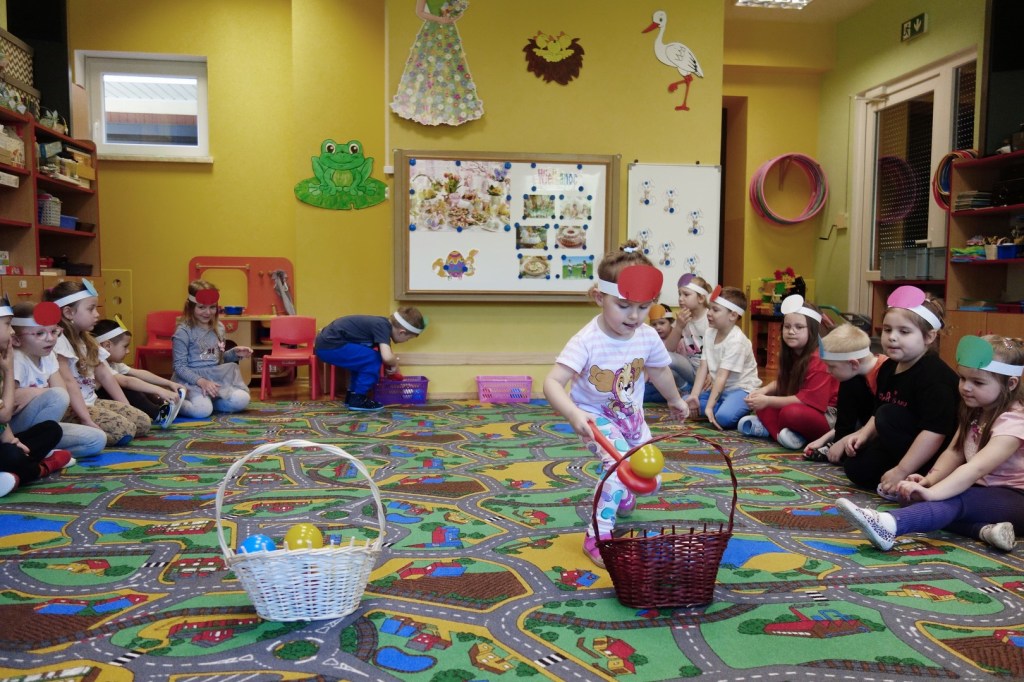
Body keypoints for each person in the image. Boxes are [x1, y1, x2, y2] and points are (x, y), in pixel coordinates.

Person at [543, 241, 688, 568]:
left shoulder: (647, 335)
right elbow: (552, 382)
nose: (634, 316)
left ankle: (621, 494)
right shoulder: (586, 341)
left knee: (650, 478)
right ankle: (597, 534)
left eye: (643, 307)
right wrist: (573, 413)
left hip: (632, 420)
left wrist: (675, 399)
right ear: (599, 297)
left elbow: (659, 371)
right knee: (617, 467)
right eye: (623, 306)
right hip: (595, 419)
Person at [837, 334, 1024, 554]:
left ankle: (889, 524)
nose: (965, 387)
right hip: (982, 490)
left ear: (1011, 384)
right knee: (913, 498)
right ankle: (983, 531)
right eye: (963, 378)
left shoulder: (1013, 422)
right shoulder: (975, 410)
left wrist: (934, 493)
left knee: (951, 499)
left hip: (1015, 498)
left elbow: (976, 468)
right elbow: (954, 453)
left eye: (978, 382)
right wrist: (930, 480)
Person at [842, 285, 959, 498]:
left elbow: (934, 434)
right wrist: (863, 435)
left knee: (889, 414)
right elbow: (877, 410)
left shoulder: (935, 377)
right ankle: (898, 477)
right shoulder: (888, 367)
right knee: (855, 468)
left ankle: (912, 478)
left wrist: (902, 470)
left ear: (929, 337)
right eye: (887, 330)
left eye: (904, 332)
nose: (892, 337)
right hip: (901, 443)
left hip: (934, 454)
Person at [46, 281, 151, 446]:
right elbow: (69, 382)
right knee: (124, 430)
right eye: (91, 309)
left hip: (92, 402)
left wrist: (127, 407)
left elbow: (105, 375)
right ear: (68, 312)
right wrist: (86, 419)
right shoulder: (59, 341)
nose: (97, 314)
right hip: (73, 408)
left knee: (143, 422)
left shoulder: (87, 340)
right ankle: (74, 435)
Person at [738, 295, 838, 450]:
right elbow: (784, 382)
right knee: (762, 404)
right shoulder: (791, 352)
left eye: (799, 327)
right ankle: (786, 434)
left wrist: (768, 400)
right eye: (787, 326)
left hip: (827, 414)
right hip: (803, 405)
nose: (791, 331)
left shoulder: (818, 358)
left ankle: (775, 431)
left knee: (789, 413)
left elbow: (806, 401)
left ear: (812, 329)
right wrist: (763, 391)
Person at [9, 302, 106, 457]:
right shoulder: (17, 360)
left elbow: (61, 391)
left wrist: (33, 392)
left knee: (97, 439)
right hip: (14, 431)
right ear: (16, 340)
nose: (50, 339)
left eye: (54, 331)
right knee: (57, 396)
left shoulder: (48, 356)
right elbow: (10, 400)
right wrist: (41, 392)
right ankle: (35, 451)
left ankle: (40, 452)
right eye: (40, 333)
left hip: (44, 427)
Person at [0, 296, 72, 497]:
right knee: (12, 455)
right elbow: (5, 415)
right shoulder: (12, 362)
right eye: (7, 324)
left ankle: (17, 470)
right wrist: (8, 370)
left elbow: (1, 419)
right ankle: (40, 468)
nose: (12, 330)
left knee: (51, 430)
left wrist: (12, 440)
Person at [390, 0, 484, 126]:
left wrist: (453, 17)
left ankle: (451, 106)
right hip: (431, 30)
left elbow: (459, 10)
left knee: (451, 65)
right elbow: (419, 12)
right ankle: (425, 105)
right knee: (426, 64)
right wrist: (439, 19)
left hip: (448, 31)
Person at [315, 306, 427, 412]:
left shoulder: (382, 326)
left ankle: (352, 396)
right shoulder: (382, 326)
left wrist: (400, 377)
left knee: (362, 362)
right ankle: (358, 398)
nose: (406, 341)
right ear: (402, 332)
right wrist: (395, 363)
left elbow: (388, 354)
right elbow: (387, 357)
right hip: (330, 345)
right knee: (373, 358)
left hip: (326, 345)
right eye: (408, 338)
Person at [803, 323, 887, 463]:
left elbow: (880, 421)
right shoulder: (855, 376)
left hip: (884, 433)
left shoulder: (886, 373)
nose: (828, 371)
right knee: (850, 381)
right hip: (864, 430)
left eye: (832, 366)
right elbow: (849, 422)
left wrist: (843, 441)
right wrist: (823, 439)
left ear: (854, 364)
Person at [172, 280, 252, 418]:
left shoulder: (219, 328)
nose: (208, 312)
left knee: (242, 399)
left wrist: (234, 353)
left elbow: (217, 358)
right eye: (201, 307)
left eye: (212, 307)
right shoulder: (183, 331)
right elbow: (179, 367)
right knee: (202, 411)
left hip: (216, 380)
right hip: (192, 382)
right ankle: (175, 403)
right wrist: (202, 381)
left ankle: (210, 404)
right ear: (190, 307)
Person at [685, 285, 761, 430]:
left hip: (741, 390)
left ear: (733, 315)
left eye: (715, 310)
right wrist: (694, 395)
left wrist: (709, 407)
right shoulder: (709, 333)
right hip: (720, 388)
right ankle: (718, 407)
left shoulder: (736, 340)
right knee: (686, 403)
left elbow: (722, 376)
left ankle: (727, 408)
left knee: (723, 418)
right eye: (710, 308)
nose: (709, 313)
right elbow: (703, 367)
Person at [91, 319, 185, 429]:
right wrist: (160, 390)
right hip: (98, 401)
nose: (128, 351)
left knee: (137, 381)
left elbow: (139, 373)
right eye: (125, 346)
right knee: (130, 386)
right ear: (107, 345)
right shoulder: (99, 360)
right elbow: (127, 382)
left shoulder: (112, 362)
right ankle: (158, 414)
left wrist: (169, 383)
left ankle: (162, 405)